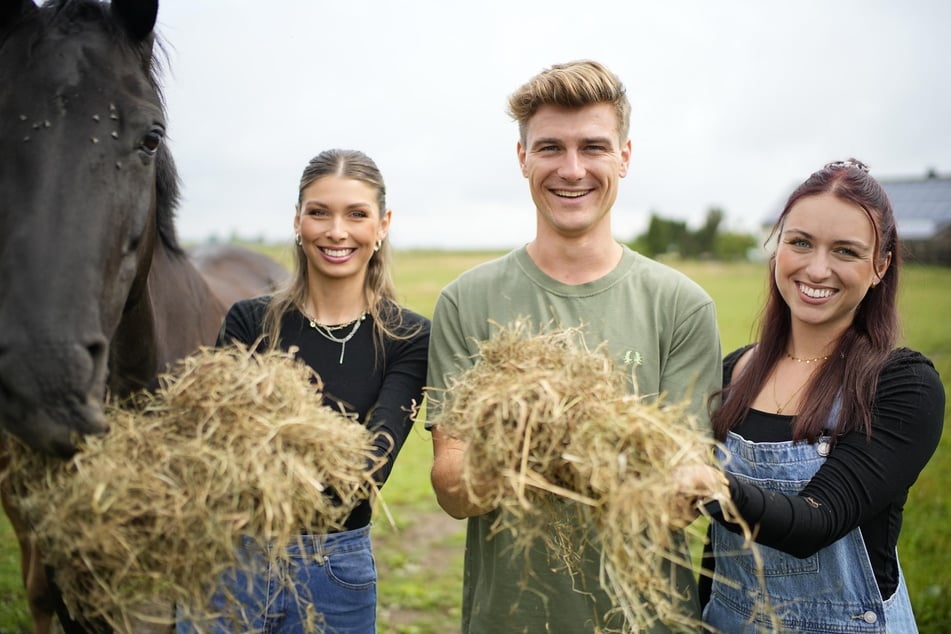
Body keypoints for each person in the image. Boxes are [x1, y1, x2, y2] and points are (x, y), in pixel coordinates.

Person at [426, 60, 723, 632]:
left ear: (624, 157)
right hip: (510, 616)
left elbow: (680, 499)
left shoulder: (681, 305)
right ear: (522, 160)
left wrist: (581, 443)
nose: (572, 170)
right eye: (549, 149)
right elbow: (453, 488)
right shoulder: (467, 300)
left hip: (646, 618)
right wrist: (524, 441)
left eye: (593, 147)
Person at [683, 159, 945, 632]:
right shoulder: (734, 372)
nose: (817, 268)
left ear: (879, 266)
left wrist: (704, 484)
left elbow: (816, 523)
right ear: (777, 247)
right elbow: (720, 549)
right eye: (800, 242)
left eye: (845, 251)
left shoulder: (901, 385)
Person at [178, 148, 430, 633]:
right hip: (232, 556)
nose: (337, 231)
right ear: (298, 222)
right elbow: (213, 447)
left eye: (357, 214)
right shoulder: (250, 321)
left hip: (334, 571)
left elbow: (368, 467)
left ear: (382, 225)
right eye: (319, 212)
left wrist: (268, 446)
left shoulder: (407, 338)